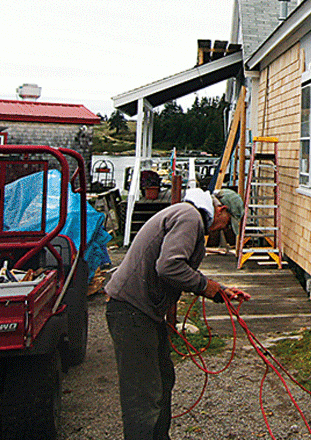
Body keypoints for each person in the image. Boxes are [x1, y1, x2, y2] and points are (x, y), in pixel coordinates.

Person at [105, 187, 250, 440]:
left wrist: (221, 291)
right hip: (130, 311)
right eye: (227, 223)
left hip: (143, 313)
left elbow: (175, 268)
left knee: (163, 378)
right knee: (144, 395)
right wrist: (208, 287)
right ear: (221, 210)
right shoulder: (189, 216)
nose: (223, 229)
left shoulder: (189, 216)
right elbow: (169, 266)